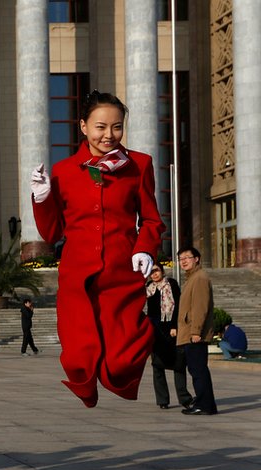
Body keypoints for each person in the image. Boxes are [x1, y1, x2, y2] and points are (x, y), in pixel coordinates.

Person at [30, 90, 165, 407]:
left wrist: (145, 248)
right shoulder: (64, 170)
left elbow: (151, 219)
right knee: (78, 359)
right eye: (100, 127)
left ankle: (149, 334)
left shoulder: (139, 165)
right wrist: (42, 198)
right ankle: (85, 386)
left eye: (117, 127)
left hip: (120, 276)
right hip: (78, 278)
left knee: (119, 365)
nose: (109, 135)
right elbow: (51, 232)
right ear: (83, 126)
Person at [176, 246, 218, 415]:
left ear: (197, 259)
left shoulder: (199, 278)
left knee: (198, 370)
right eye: (181, 259)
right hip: (189, 332)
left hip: (193, 334)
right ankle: (206, 404)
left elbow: (200, 308)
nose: (183, 261)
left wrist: (196, 332)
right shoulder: (192, 278)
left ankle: (204, 405)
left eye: (187, 257)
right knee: (197, 369)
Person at [145, 262, 193, 410]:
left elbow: (178, 305)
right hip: (155, 330)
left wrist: (174, 325)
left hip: (171, 328)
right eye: (151, 272)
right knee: (157, 365)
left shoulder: (171, 284)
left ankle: (184, 398)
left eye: (157, 270)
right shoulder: (148, 288)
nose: (154, 274)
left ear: (162, 271)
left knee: (179, 363)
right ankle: (162, 400)